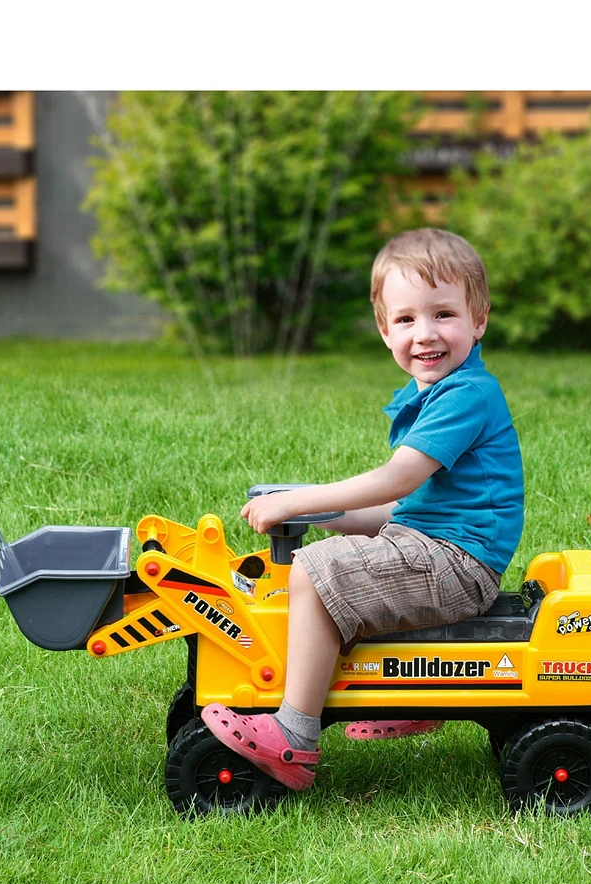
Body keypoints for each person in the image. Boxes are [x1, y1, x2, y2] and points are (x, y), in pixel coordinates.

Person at [202, 228, 524, 791]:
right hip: (437, 549)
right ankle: (408, 693)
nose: (426, 334)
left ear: (479, 320)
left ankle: (294, 736)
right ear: (384, 330)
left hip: (458, 565)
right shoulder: (437, 393)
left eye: (444, 314)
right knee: (343, 556)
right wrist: (316, 514)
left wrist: (302, 499)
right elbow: (404, 510)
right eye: (406, 320)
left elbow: (394, 481)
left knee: (318, 570)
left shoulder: (466, 395)